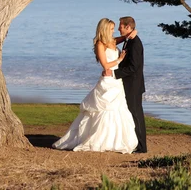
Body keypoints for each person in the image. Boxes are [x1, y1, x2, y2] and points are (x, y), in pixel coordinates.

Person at [53, 18, 138, 154]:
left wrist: (133, 32)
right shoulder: (100, 44)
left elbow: (124, 37)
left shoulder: (113, 41)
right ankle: (97, 139)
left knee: (118, 109)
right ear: (104, 29)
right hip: (108, 80)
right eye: (111, 29)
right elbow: (105, 65)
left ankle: (114, 140)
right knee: (103, 110)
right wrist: (119, 60)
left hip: (116, 81)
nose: (113, 31)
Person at [105, 16, 147, 153]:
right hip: (130, 83)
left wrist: (115, 74)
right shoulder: (130, 40)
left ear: (128, 27)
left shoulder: (135, 43)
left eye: (121, 26)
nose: (118, 28)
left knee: (136, 114)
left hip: (133, 85)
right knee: (132, 113)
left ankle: (142, 146)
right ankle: (135, 142)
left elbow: (133, 67)